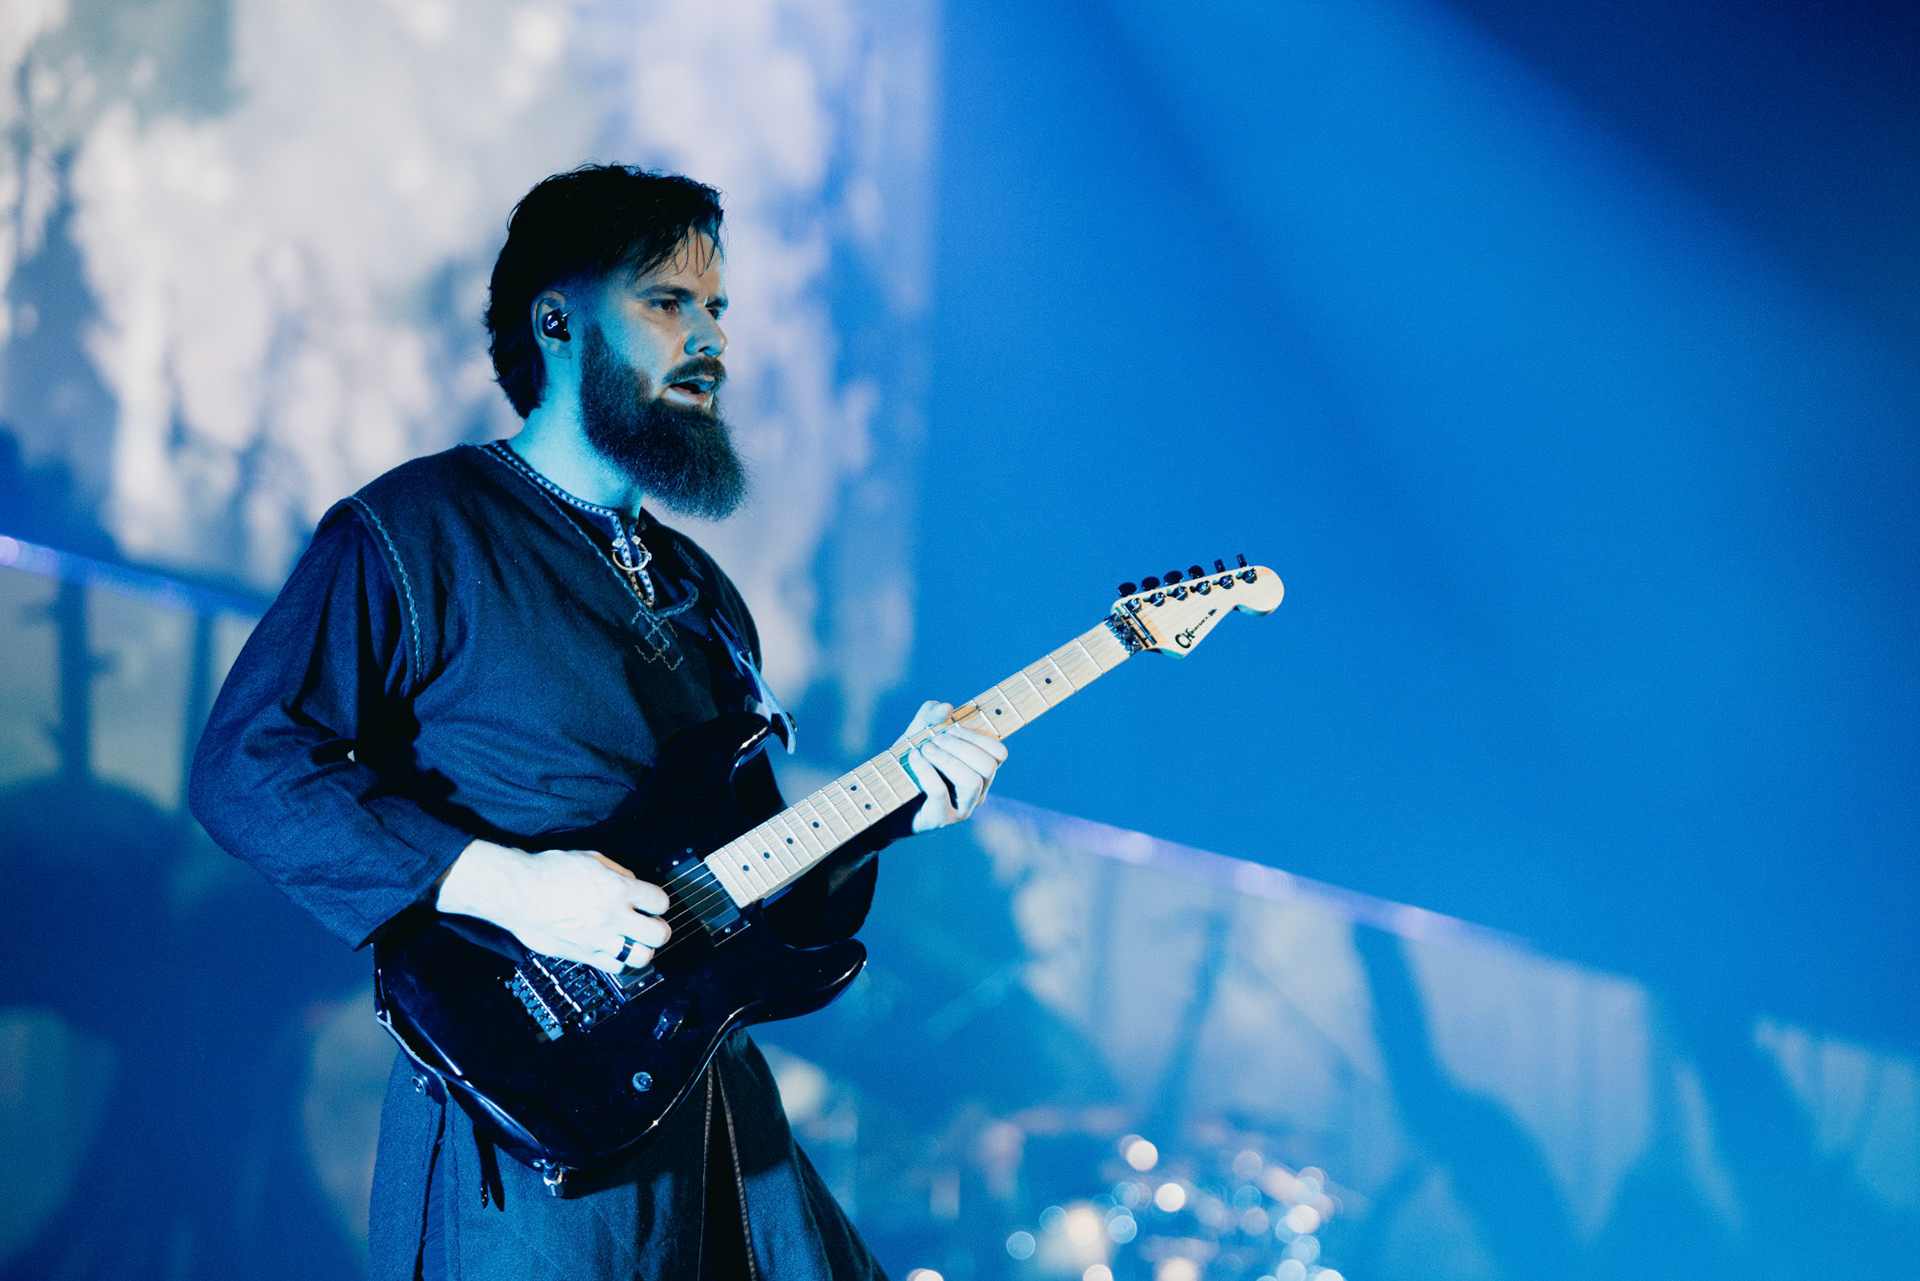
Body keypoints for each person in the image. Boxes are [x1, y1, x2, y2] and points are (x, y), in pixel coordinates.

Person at [189, 165, 1006, 1281]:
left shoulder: (705, 594)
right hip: (528, 1120)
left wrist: (891, 812)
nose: (710, 337)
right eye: (669, 301)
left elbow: (750, 894)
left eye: (717, 307)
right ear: (558, 322)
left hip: (709, 1103)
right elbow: (247, 765)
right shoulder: (420, 526)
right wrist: (503, 883)